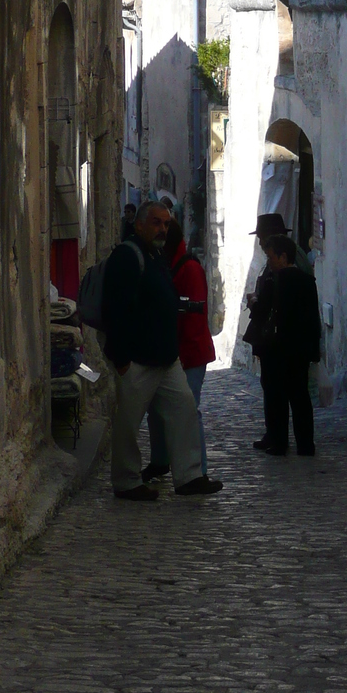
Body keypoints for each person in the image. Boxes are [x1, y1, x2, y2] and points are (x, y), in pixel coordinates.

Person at [101, 199, 223, 501]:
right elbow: (114, 308)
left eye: (167, 224)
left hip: (166, 361)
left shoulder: (155, 254)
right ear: (139, 224)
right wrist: (121, 359)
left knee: (184, 412)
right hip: (138, 360)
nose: (162, 228)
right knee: (129, 423)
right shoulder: (128, 256)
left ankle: (190, 476)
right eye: (156, 222)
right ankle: (127, 482)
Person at [144, 219, 216, 481]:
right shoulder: (168, 265)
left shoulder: (189, 269)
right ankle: (161, 461)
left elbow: (193, 319)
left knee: (188, 410)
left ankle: (199, 470)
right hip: (173, 351)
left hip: (190, 352)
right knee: (158, 409)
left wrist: (179, 355)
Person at [252, 235, 322, 456]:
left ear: (283, 256)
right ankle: (305, 444)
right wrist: (313, 349)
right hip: (299, 349)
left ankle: (279, 442)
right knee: (300, 396)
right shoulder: (307, 281)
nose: (269, 261)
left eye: (271, 256)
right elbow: (313, 318)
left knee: (277, 396)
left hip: (277, 349)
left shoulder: (275, 281)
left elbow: (262, 311)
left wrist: (253, 301)